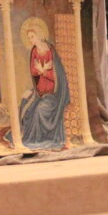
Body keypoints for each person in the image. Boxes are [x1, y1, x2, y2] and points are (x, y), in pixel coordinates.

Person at [8, 17, 71, 151]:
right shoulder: (35, 51)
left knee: (39, 110)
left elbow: (56, 76)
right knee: (25, 103)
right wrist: (42, 70)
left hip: (53, 93)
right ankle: (24, 135)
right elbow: (33, 70)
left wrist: (43, 71)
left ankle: (37, 139)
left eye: (32, 36)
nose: (31, 40)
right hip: (39, 90)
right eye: (29, 37)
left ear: (39, 35)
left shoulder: (51, 51)